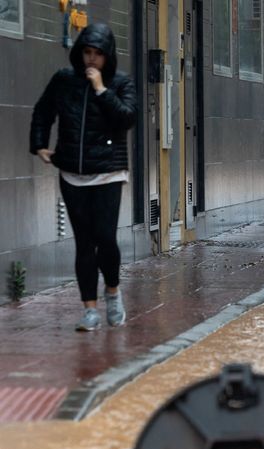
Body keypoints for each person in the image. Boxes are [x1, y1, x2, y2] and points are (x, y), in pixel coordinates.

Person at [30, 22, 137, 331]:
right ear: (79, 53)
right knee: (84, 243)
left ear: (108, 56)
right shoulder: (64, 81)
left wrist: (101, 89)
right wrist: (39, 145)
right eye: (87, 53)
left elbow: (126, 118)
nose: (91, 60)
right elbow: (43, 111)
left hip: (108, 173)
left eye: (98, 54)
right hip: (72, 173)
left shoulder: (120, 82)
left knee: (106, 238)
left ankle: (113, 293)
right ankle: (89, 309)